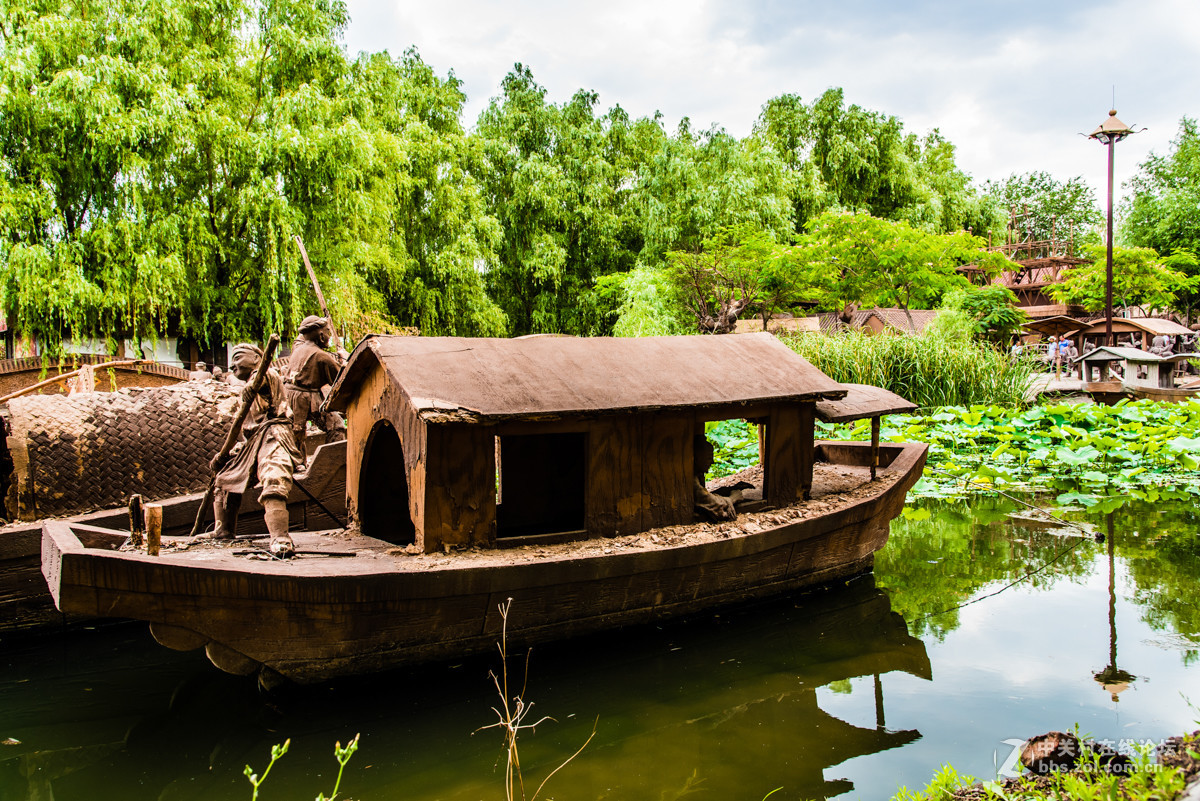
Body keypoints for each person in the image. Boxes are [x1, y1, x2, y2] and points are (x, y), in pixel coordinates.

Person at [199, 343, 304, 557]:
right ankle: (224, 530)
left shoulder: (266, 373)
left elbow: (263, 379)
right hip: (253, 440)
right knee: (225, 475)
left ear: (258, 358)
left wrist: (255, 382)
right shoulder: (248, 385)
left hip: (274, 434)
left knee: (274, 476)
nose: (232, 364)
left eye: (238, 357)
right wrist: (223, 454)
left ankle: (280, 537)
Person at [283, 315, 348, 460]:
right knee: (336, 425)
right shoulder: (320, 356)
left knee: (296, 433)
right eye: (327, 332)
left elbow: (301, 338)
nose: (329, 336)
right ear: (320, 335)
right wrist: (345, 360)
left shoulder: (299, 348)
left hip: (290, 394)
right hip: (305, 398)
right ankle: (333, 461)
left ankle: (298, 461)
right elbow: (342, 380)